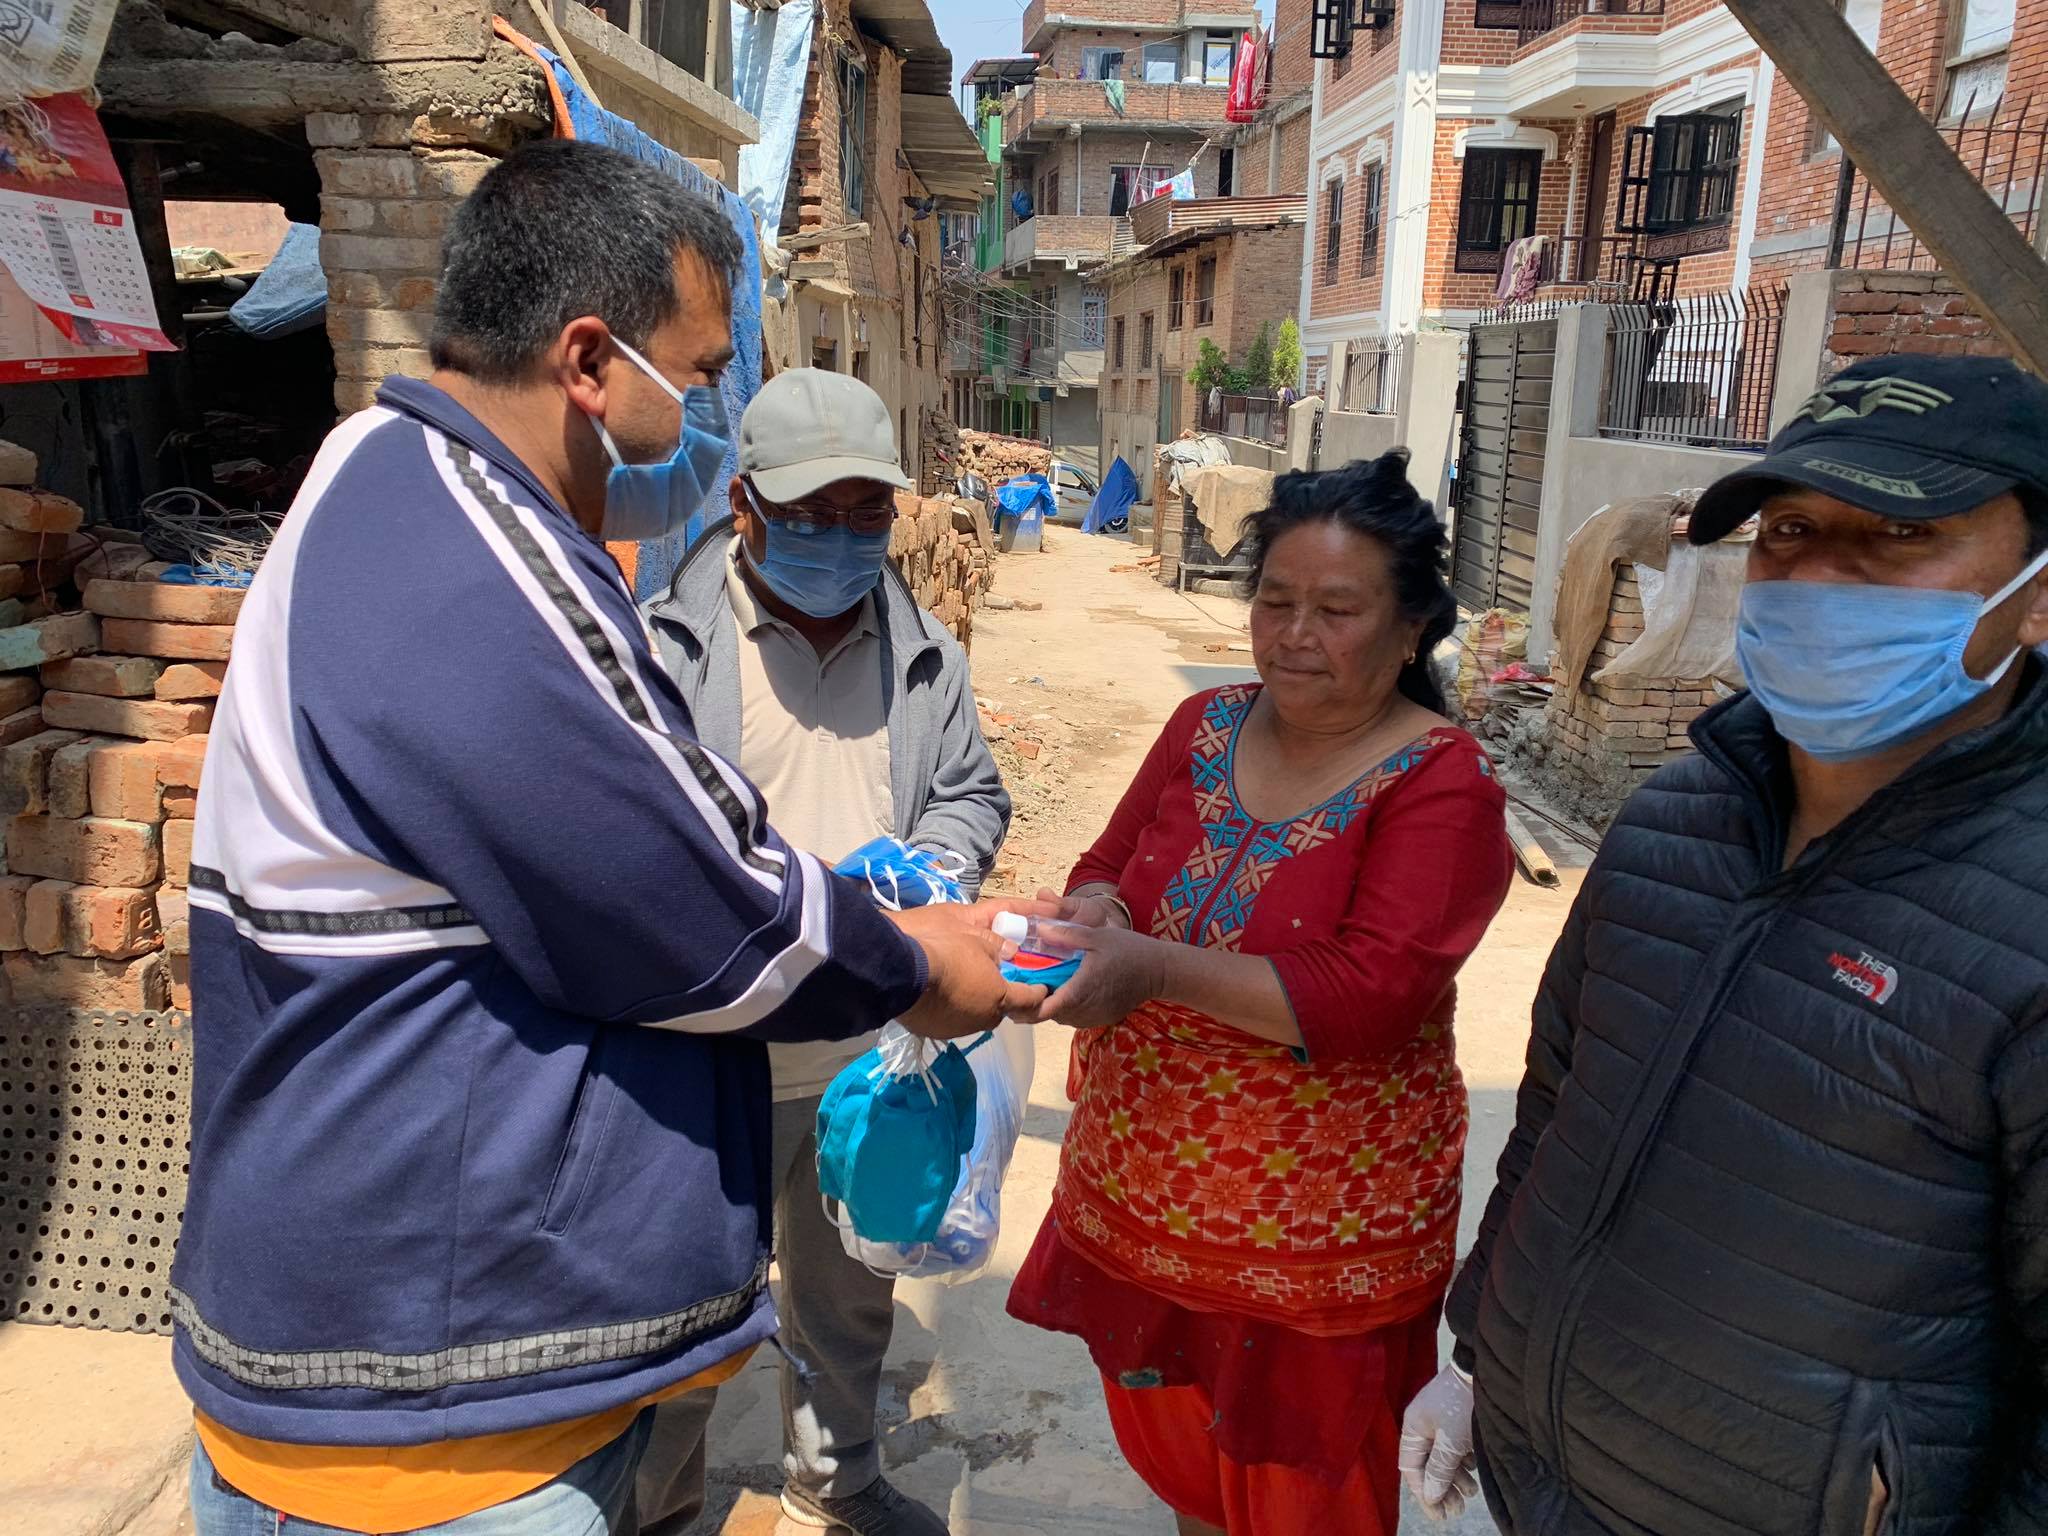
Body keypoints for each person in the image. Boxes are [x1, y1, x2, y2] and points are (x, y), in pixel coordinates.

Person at [172, 140, 1042, 1536]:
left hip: (412, 1353)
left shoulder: (377, 476)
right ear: (589, 360)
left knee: (832, 1300)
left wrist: (916, 889)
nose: (697, 421)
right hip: (437, 1414)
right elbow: (695, 904)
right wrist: (923, 961)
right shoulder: (486, 579)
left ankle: (838, 1470)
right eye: (696, 380)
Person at [1401, 354, 2048, 1535]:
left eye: (1898, 534)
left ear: (2037, 589)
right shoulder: (1671, 820)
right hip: (1545, 1484)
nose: (1818, 574)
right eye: (1790, 528)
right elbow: (1554, 1111)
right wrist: (1478, 1348)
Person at [1007, 451, 1515, 1536]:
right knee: (1191, 1479)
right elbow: (1108, 859)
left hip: (1317, 1247)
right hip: (1139, 1200)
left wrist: (1149, 969)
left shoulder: (1441, 783)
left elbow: (1370, 993)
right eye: (1274, 601)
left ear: (1411, 625)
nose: (1293, 633)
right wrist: (1093, 914)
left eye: (1335, 609)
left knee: (1301, 1494)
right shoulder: (1204, 727)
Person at [635, 368, 1009, 1536]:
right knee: (682, 1313)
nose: (840, 540)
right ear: (742, 503)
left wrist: (932, 866)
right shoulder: (663, 647)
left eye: (863, 515)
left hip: (866, 1049)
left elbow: (967, 792)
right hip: (713, 1052)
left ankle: (833, 1483)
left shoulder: (923, 653)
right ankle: (655, 1514)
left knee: (850, 1293)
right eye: (810, 516)